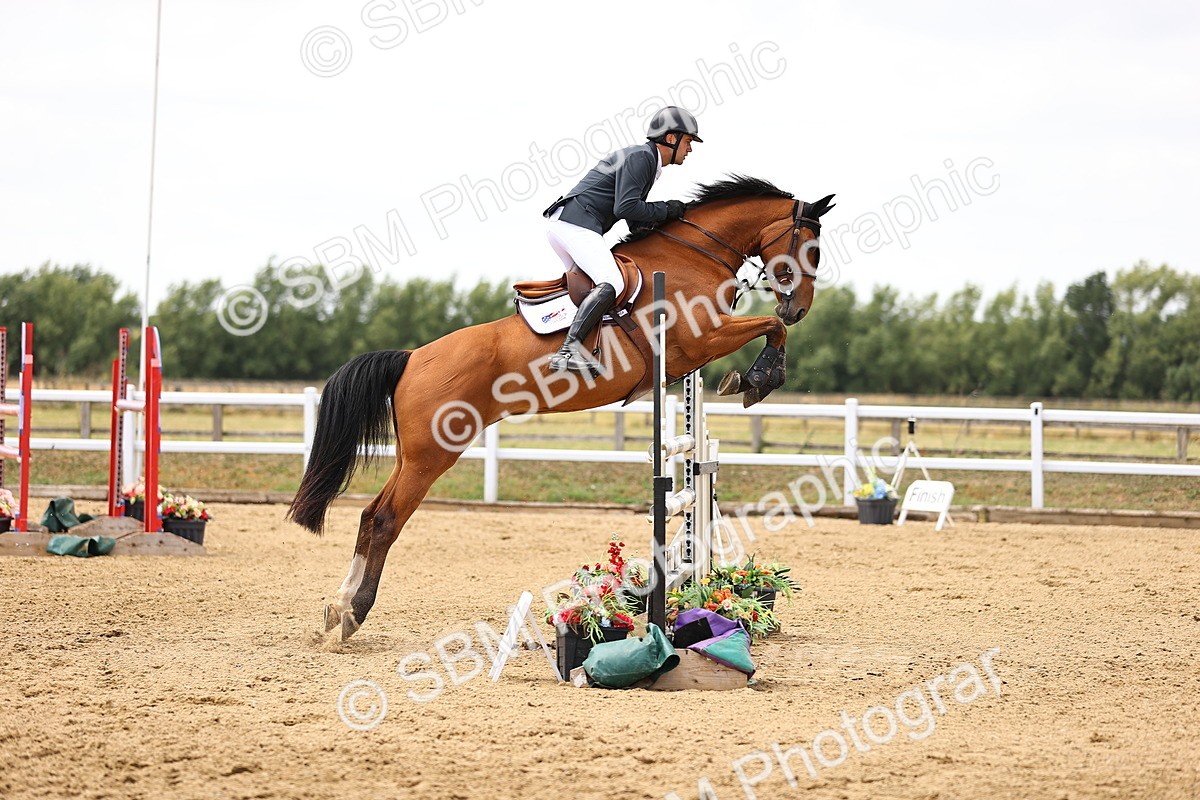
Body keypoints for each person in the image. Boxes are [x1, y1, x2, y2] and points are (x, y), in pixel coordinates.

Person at [541, 106, 702, 373]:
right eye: (688, 141)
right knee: (612, 282)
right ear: (671, 138)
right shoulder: (642, 157)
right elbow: (626, 207)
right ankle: (567, 352)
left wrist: (673, 221)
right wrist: (667, 209)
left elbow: (635, 220)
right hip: (575, 224)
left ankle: (568, 344)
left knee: (593, 291)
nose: (690, 149)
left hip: (569, 224)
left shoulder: (647, 161)